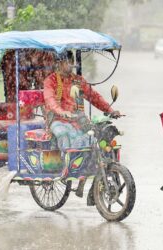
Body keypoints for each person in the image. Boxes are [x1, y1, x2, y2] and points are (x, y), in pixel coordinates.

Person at [43, 50, 121, 199]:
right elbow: (49, 99)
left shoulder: (78, 80)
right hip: (58, 120)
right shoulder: (50, 81)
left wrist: (110, 110)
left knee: (96, 140)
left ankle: (84, 177)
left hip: (79, 120)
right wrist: (61, 111)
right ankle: (66, 169)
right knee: (64, 135)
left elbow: (94, 97)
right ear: (59, 63)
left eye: (72, 62)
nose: (71, 65)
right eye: (67, 62)